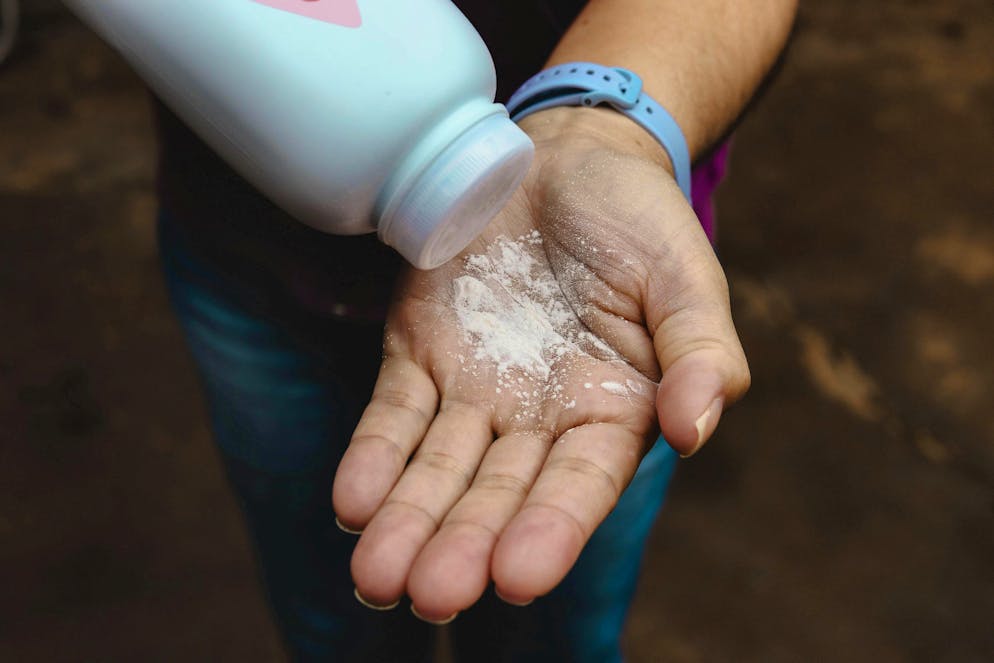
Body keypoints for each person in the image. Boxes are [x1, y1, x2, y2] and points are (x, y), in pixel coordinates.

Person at [154, 1, 796, 660]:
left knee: (552, 637)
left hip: (599, 305)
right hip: (247, 260)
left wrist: (598, 127)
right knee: (331, 626)